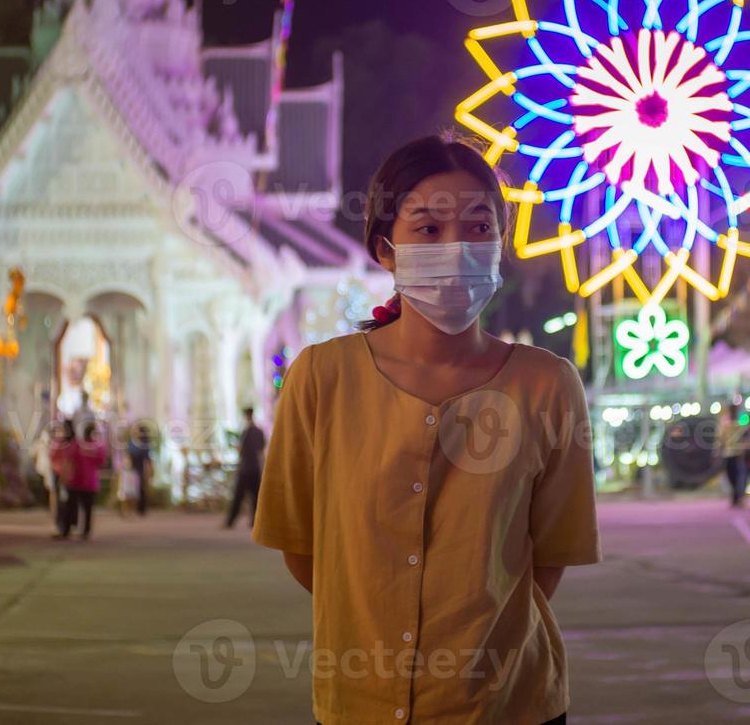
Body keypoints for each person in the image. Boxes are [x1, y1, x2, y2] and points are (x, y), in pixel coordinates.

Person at [253, 134, 598, 725]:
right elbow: (303, 548)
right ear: (385, 249)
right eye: (429, 229)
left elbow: (547, 560)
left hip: (508, 704)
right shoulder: (321, 378)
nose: (457, 246)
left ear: (499, 244)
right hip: (357, 704)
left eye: (478, 226)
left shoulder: (547, 385)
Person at [64, 421, 107, 540]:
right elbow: (101, 463)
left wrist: (65, 477)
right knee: (88, 508)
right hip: (90, 482)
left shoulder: (77, 445)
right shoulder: (99, 447)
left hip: (76, 481)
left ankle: (67, 530)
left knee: (71, 507)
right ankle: (85, 531)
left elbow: (69, 462)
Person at [225, 407, 266, 529]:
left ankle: (231, 521)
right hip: (255, 468)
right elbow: (261, 450)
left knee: (239, 495)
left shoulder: (246, 432)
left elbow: (241, 450)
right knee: (255, 497)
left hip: (246, 468)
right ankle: (255, 521)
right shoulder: (259, 431)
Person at [718, 404, 749, 508]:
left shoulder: (742, 420)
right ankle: (736, 496)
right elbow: (720, 438)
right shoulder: (724, 422)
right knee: (731, 476)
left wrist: (744, 448)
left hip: (739, 454)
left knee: (739, 477)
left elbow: (745, 436)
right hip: (728, 454)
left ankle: (738, 497)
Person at [50, 420, 77, 537]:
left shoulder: (65, 445)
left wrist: (62, 477)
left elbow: (54, 457)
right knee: (68, 502)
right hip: (69, 476)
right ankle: (67, 525)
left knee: (64, 503)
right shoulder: (72, 444)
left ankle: (64, 527)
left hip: (64, 477)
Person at [127, 423, 152, 516]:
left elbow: (147, 459)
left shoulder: (143, 444)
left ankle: (140, 508)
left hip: (139, 468)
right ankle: (137, 508)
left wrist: (148, 470)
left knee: (140, 489)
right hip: (135, 468)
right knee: (137, 489)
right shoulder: (133, 442)